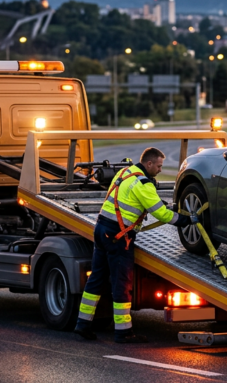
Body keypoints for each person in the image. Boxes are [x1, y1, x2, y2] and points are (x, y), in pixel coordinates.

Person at [74, 147, 191, 343]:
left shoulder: (125, 172)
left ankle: (82, 324)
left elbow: (132, 199)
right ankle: (123, 332)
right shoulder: (144, 184)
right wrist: (186, 220)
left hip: (102, 228)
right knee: (121, 283)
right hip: (118, 237)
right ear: (149, 164)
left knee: (96, 278)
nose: (161, 170)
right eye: (159, 166)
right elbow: (161, 214)